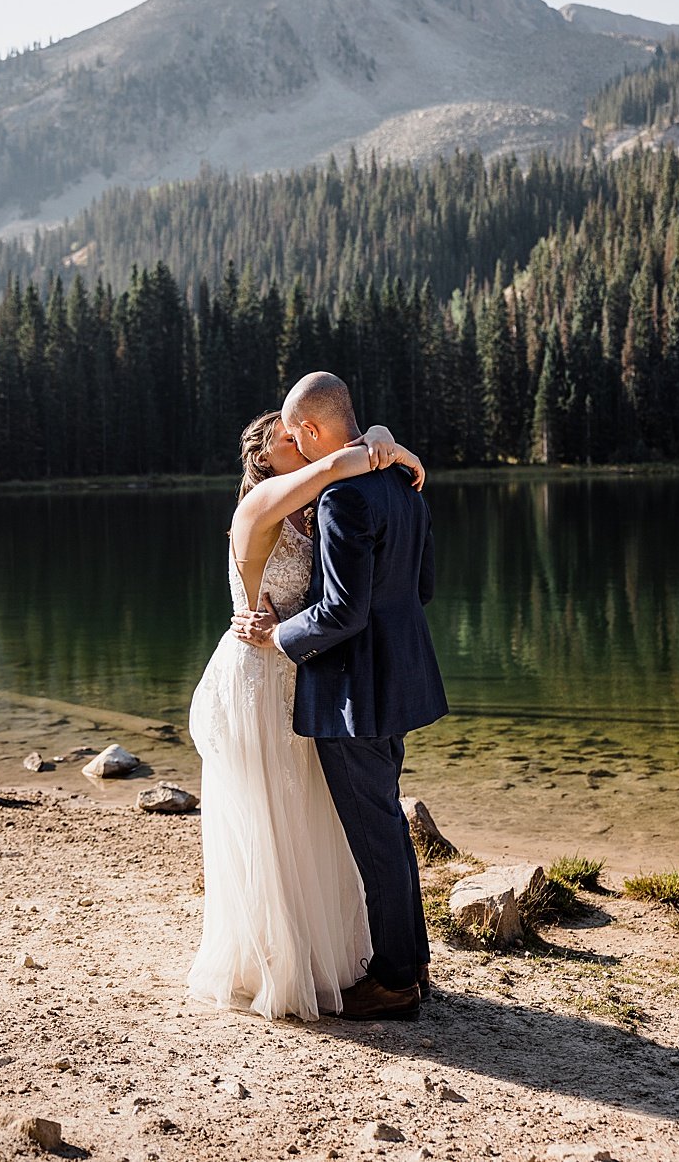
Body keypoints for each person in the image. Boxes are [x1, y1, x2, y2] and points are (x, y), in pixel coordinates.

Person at [188, 409, 424, 1020]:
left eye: (300, 433)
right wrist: (388, 447)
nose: (297, 441)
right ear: (265, 457)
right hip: (260, 676)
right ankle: (281, 961)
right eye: (285, 439)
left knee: (318, 821)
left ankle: (347, 958)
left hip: (312, 674)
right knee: (272, 819)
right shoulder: (263, 500)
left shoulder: (319, 502)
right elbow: (344, 458)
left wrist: (382, 444)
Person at [235, 371, 449, 1021]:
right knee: (387, 827)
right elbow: (425, 586)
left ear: (308, 431)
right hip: (400, 681)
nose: (291, 441)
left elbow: (341, 614)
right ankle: (411, 962)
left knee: (378, 834)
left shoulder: (341, 500)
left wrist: (278, 639)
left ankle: (393, 979)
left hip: (353, 693)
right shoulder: (404, 486)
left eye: (294, 431)